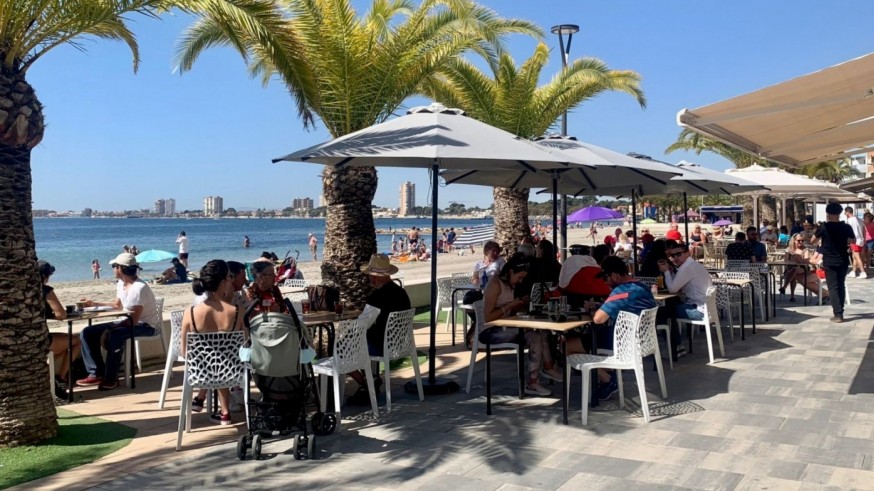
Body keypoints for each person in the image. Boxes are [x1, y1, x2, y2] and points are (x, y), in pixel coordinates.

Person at [482, 253, 561, 396]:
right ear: (511, 271)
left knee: (542, 332)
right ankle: (532, 382)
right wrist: (511, 304)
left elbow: (507, 312)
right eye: (519, 277)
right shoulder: (494, 285)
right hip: (490, 331)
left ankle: (547, 367)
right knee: (535, 337)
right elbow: (488, 317)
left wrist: (520, 305)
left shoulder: (509, 286)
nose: (520, 281)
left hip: (505, 326)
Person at [77, 253, 160, 390]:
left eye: (114, 267)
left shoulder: (139, 288)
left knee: (116, 335)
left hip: (145, 325)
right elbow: (117, 306)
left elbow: (133, 320)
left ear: (120, 269)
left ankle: (111, 378)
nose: (113, 269)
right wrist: (93, 304)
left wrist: (109, 330)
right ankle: (96, 373)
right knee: (87, 332)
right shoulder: (121, 283)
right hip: (127, 320)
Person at [589, 255, 659, 399]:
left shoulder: (623, 291)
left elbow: (598, 319)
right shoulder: (641, 286)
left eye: (605, 278)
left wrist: (591, 309)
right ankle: (609, 375)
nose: (605, 283)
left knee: (570, 345)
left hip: (625, 343)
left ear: (614, 276)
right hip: (644, 340)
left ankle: (608, 379)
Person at [183, 260, 244, 425]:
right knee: (221, 357)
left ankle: (213, 406)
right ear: (224, 282)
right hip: (231, 373)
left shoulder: (190, 312)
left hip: (200, 374)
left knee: (215, 359)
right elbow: (245, 345)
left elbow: (184, 351)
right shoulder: (237, 311)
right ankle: (225, 413)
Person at [348, 254, 412, 403]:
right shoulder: (401, 293)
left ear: (376, 277)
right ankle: (370, 380)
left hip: (383, 346)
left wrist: (347, 332)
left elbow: (363, 324)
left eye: (371, 276)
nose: (370, 279)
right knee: (359, 341)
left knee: (341, 347)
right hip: (401, 344)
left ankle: (365, 383)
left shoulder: (377, 296)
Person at [40, 261, 82, 399]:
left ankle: (53, 374)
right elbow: (61, 314)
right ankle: (60, 377)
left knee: (64, 339)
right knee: (75, 341)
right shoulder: (45, 290)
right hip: (41, 339)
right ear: (46, 276)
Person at [816, 202, 855, 323]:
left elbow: (813, 240)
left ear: (828, 213)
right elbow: (853, 240)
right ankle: (840, 311)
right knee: (841, 284)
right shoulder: (846, 227)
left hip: (829, 260)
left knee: (833, 287)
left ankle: (837, 314)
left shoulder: (824, 227)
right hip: (843, 259)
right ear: (840, 212)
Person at [659, 242, 712, 324]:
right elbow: (676, 285)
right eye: (673, 255)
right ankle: (670, 335)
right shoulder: (692, 264)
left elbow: (673, 290)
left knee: (660, 310)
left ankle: (667, 335)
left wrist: (666, 271)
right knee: (670, 307)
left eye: (678, 254)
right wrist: (670, 271)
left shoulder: (687, 267)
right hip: (706, 309)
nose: (676, 257)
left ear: (688, 253)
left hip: (699, 311)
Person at [779, 233, 827, 302]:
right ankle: (824, 294)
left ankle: (785, 288)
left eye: (802, 240)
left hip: (803, 269)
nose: (801, 242)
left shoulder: (805, 249)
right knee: (794, 271)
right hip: (790, 269)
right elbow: (786, 260)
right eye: (799, 240)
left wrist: (800, 260)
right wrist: (796, 261)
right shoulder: (789, 249)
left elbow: (809, 261)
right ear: (794, 240)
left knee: (795, 270)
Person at [844, 207, 866, 279]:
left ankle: (863, 272)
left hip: (854, 240)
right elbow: (864, 230)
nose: (845, 214)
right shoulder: (859, 220)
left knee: (857, 256)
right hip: (861, 240)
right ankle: (853, 271)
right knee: (854, 257)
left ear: (847, 212)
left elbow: (848, 231)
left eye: (845, 212)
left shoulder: (850, 220)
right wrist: (864, 239)